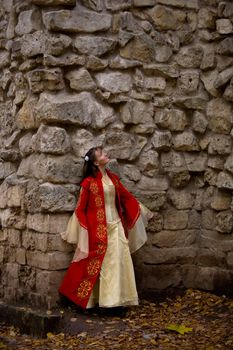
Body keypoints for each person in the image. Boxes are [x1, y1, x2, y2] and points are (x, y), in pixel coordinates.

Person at [58, 146, 153, 311]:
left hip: (116, 225)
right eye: (101, 154)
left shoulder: (114, 179)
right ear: (96, 162)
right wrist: (83, 229)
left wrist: (140, 210)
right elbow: (81, 208)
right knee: (104, 264)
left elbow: (126, 197)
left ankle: (116, 302)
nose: (105, 154)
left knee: (120, 261)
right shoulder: (88, 183)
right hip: (98, 230)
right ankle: (98, 302)